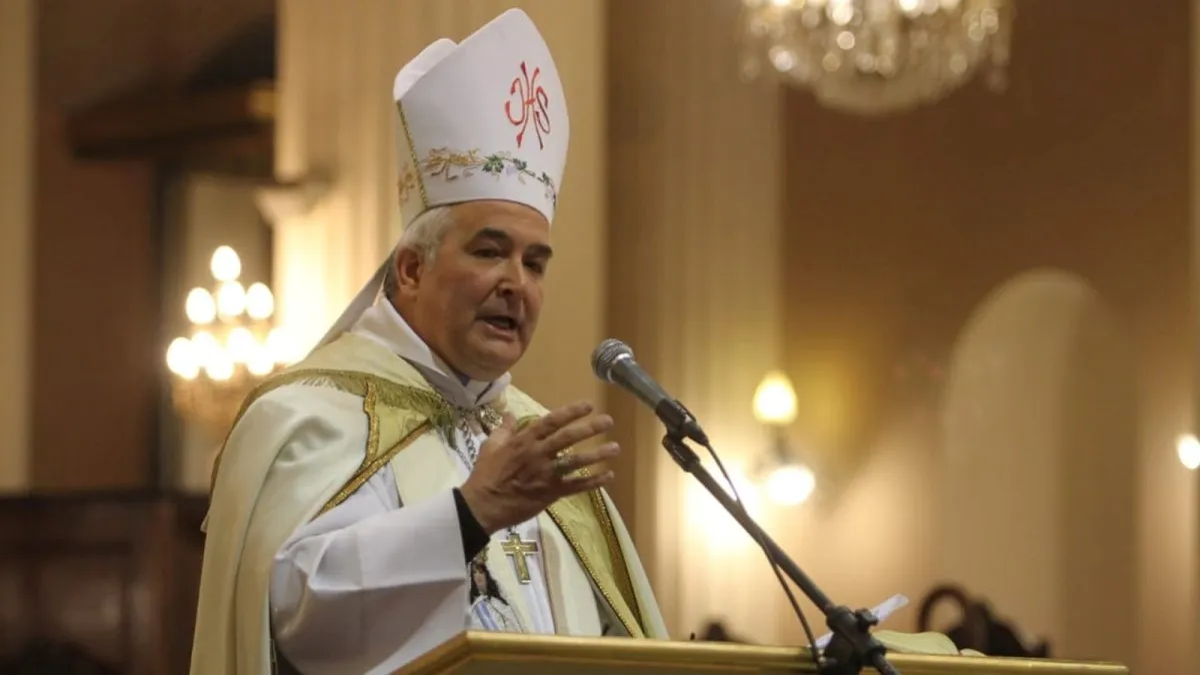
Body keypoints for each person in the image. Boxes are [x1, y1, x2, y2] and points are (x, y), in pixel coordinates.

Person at [188, 8, 668, 675]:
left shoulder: (535, 441)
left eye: (535, 263)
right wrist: (469, 516)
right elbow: (298, 617)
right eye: (490, 251)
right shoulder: (310, 415)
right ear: (411, 269)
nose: (516, 284)